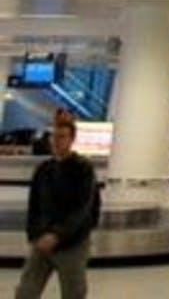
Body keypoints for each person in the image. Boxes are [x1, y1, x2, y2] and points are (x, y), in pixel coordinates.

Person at [16, 117, 98, 299]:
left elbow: (82, 208)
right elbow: (34, 205)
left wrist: (57, 234)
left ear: (71, 140)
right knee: (26, 291)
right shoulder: (44, 169)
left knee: (73, 292)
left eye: (62, 137)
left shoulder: (83, 169)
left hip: (72, 243)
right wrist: (34, 235)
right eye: (54, 137)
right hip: (42, 242)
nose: (56, 141)